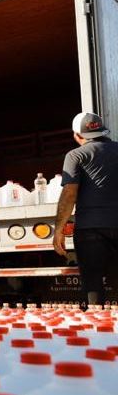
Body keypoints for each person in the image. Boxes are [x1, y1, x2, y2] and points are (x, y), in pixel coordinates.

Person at [53, 112, 118, 306]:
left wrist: (58, 230)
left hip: (90, 228)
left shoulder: (76, 155)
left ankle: (100, 330)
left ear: (77, 135)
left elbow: (69, 194)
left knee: (93, 283)